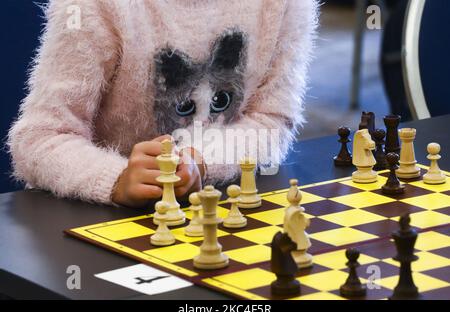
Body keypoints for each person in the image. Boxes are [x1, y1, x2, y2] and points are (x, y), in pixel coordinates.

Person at [8, 0, 318, 208]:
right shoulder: (90, 7)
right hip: (103, 223)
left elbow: (272, 120)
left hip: (216, 208)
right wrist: (115, 179)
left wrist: (201, 159)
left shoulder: (287, 6)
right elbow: (40, 138)